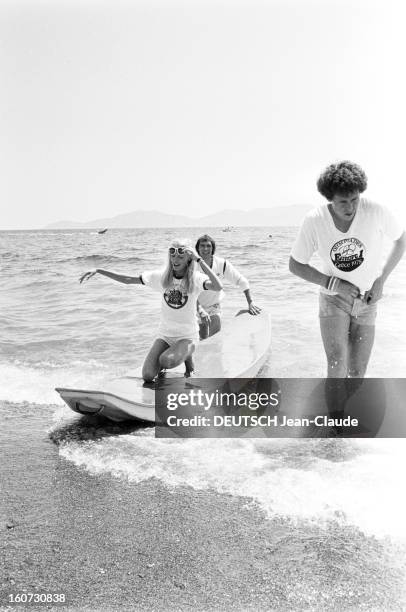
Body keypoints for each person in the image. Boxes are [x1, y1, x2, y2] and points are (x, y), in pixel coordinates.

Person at [289, 160, 405, 381]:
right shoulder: (315, 220)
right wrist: (334, 284)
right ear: (329, 199)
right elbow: (295, 265)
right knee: (336, 362)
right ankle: (336, 414)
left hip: (367, 300)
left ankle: (353, 412)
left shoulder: (376, 211)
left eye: (354, 199)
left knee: (357, 371)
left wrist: (381, 280)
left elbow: (401, 241)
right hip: (333, 299)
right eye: (342, 202)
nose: (350, 208)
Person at [79, 238, 223, 382]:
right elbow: (128, 280)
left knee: (166, 360)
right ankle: (177, 355)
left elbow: (218, 286)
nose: (176, 259)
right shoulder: (161, 277)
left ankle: (188, 357)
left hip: (187, 336)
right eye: (172, 255)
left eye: (180, 256)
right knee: (147, 376)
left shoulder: (196, 279)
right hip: (165, 335)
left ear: (188, 259)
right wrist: (99, 270)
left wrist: (199, 260)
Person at [194, 234, 262, 339]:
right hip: (195, 306)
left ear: (213, 248)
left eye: (208, 246)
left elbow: (241, 281)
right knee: (201, 340)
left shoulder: (221, 263)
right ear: (197, 248)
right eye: (202, 246)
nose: (205, 249)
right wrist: (199, 309)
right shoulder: (191, 265)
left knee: (215, 339)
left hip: (214, 306)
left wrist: (250, 303)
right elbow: (187, 290)